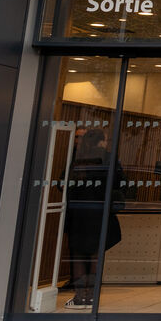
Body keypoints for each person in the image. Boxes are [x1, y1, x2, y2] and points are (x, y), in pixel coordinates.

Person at [63, 127, 122, 307]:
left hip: (78, 213)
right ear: (101, 141)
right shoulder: (107, 158)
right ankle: (92, 297)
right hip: (98, 212)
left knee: (78, 256)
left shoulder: (78, 157)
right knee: (96, 255)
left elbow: (63, 182)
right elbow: (119, 182)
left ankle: (79, 296)